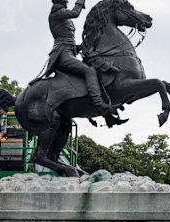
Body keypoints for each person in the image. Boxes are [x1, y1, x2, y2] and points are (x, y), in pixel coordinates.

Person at [43, 0, 126, 128]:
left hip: (69, 51)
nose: (67, 1)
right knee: (90, 71)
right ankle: (99, 104)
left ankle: (108, 116)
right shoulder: (57, 12)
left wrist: (82, 46)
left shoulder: (61, 14)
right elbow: (75, 13)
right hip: (63, 55)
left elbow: (68, 40)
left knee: (95, 71)